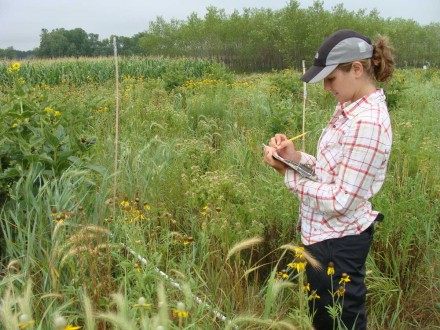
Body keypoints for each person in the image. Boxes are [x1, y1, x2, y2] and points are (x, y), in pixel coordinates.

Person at [263, 29, 395, 329]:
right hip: (324, 239)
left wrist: (288, 176)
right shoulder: (348, 109)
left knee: (341, 322)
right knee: (324, 319)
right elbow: (331, 169)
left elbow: (340, 200)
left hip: (339, 244)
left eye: (331, 78)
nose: (326, 87)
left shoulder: (367, 123)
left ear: (357, 69)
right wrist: (295, 158)